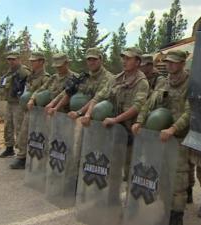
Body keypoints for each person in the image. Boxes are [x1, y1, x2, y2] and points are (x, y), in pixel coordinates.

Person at [131, 50, 190, 225]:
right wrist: (140, 121)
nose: (169, 65)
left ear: (182, 64)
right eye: (167, 62)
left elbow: (190, 112)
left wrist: (173, 128)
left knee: (178, 180)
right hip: (159, 137)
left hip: (178, 138)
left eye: (173, 62)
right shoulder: (163, 82)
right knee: (162, 177)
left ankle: (176, 217)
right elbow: (148, 103)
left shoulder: (190, 84)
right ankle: (166, 210)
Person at [81, 47, 149, 180]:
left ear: (137, 62)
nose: (124, 61)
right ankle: (112, 200)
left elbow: (137, 107)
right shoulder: (116, 79)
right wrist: (88, 114)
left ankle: (130, 200)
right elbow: (98, 97)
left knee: (131, 171)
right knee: (111, 166)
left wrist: (115, 120)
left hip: (131, 132)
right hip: (114, 131)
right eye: (123, 58)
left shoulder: (142, 82)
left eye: (128, 58)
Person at [10, 52, 50, 169]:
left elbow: (45, 93)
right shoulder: (31, 76)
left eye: (34, 61)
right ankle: (26, 155)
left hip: (38, 109)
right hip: (27, 108)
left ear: (41, 62)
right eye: (31, 61)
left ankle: (22, 157)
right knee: (23, 131)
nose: (31, 63)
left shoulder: (45, 77)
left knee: (28, 133)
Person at [47, 48, 113, 117]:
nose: (91, 62)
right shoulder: (84, 77)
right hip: (85, 114)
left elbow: (97, 99)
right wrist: (55, 107)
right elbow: (68, 92)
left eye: (95, 59)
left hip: (100, 116)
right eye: (89, 60)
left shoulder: (108, 78)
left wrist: (79, 112)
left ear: (101, 60)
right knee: (76, 99)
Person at [0, 51, 30, 158]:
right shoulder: (9, 72)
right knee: (8, 126)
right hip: (10, 103)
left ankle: (23, 152)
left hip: (19, 104)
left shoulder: (24, 71)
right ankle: (9, 148)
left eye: (13, 59)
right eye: (9, 60)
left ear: (19, 59)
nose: (11, 62)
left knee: (19, 127)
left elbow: (29, 85)